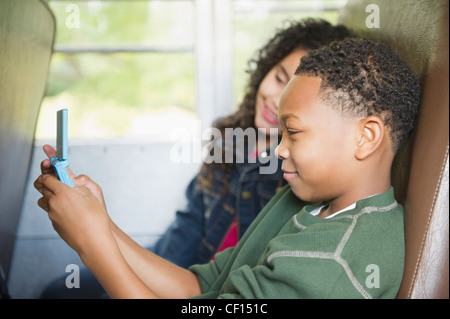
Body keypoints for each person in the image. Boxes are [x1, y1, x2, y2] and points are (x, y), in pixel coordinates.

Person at [35, 37, 421, 299]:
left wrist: (91, 242)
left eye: (294, 133)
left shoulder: (333, 262)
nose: (279, 150)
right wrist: (100, 222)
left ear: (366, 137)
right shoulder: (302, 201)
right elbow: (200, 287)